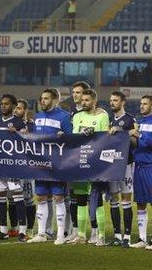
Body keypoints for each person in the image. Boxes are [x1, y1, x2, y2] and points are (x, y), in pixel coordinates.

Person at [27, 88, 72, 245]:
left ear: (55, 100)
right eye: (41, 98)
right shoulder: (38, 117)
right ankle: (41, 233)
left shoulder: (65, 117)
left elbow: (72, 140)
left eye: (46, 98)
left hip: (57, 165)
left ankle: (60, 235)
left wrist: (64, 137)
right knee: (40, 197)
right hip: (40, 164)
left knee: (58, 197)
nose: (42, 101)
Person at [70, 89, 110, 246]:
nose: (84, 102)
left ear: (94, 101)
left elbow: (105, 139)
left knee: (96, 200)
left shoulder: (102, 116)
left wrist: (93, 134)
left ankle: (101, 235)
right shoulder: (77, 116)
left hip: (95, 163)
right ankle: (80, 234)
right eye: (83, 100)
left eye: (87, 100)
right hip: (80, 162)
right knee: (80, 199)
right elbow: (74, 137)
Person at [129, 95, 152, 250]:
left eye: (145, 104)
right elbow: (136, 144)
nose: (141, 106)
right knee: (141, 204)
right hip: (138, 167)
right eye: (140, 103)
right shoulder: (139, 123)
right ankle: (142, 239)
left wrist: (140, 135)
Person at [0, 94, 29, 242]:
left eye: (6, 104)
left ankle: (22, 231)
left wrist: (19, 133)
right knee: (0, 197)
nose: (3, 106)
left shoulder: (18, 122)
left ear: (13, 106)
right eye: (2, 104)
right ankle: (3, 230)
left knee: (18, 196)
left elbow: (26, 141)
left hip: (13, 166)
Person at [106, 91, 136, 248]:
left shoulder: (130, 120)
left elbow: (135, 141)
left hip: (126, 164)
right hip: (112, 165)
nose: (112, 103)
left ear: (122, 102)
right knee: (113, 200)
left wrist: (122, 132)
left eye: (115, 100)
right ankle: (117, 235)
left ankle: (128, 237)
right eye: (111, 100)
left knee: (125, 199)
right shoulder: (109, 120)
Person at [66, 81, 90, 243]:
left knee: (90, 197)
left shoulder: (94, 113)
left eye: (78, 92)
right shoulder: (72, 112)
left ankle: (94, 231)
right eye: (73, 92)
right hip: (73, 158)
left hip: (88, 158)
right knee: (73, 195)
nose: (75, 95)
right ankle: (75, 230)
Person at [14, 99, 37, 236]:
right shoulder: (11, 124)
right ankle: (16, 228)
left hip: (28, 166)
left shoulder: (31, 125)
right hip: (15, 165)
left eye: (20, 108)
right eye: (15, 108)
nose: (17, 110)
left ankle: (30, 229)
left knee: (28, 199)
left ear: (25, 110)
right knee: (15, 198)